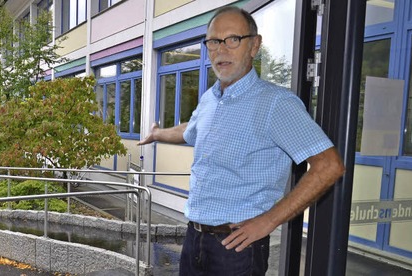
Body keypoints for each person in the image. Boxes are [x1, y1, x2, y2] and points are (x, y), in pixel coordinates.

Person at [137, 6, 345, 275]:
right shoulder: (210, 98)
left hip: (237, 248)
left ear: (254, 46)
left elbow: (329, 166)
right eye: (214, 41)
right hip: (194, 238)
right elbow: (191, 130)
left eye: (233, 39)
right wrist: (157, 134)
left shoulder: (276, 104)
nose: (221, 49)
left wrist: (268, 221)